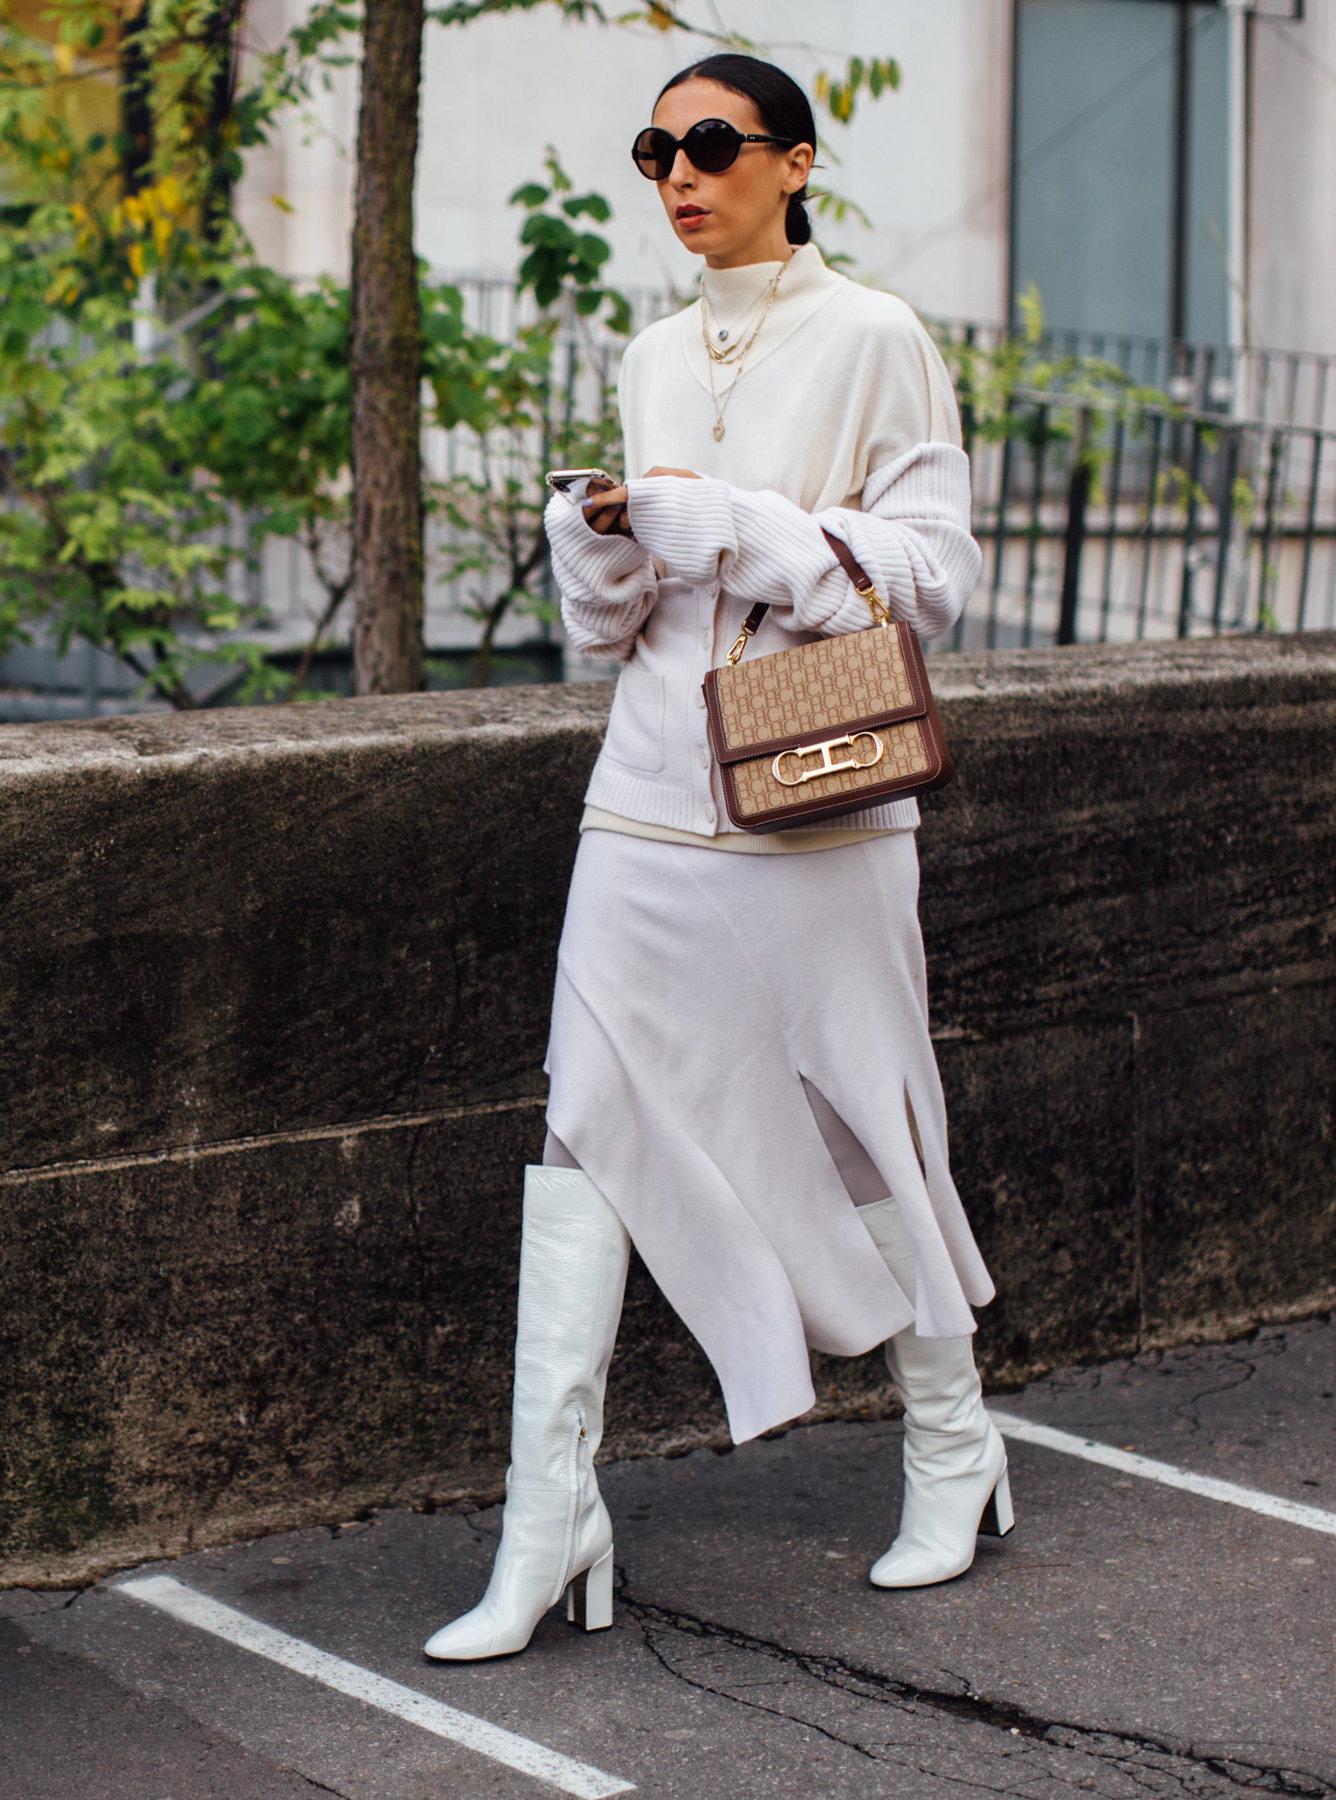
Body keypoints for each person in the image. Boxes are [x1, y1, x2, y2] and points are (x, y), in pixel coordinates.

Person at [424, 52, 1004, 1663]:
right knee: (584, 1122)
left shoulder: (878, 336)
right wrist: (599, 548)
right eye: (656, 149)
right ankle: (551, 1514)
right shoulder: (650, 350)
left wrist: (731, 526)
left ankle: (954, 1444)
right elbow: (620, 625)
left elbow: (936, 575)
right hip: (651, 794)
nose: (679, 173)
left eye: (713, 145)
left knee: (865, 1114)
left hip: (816, 792)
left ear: (795, 162)